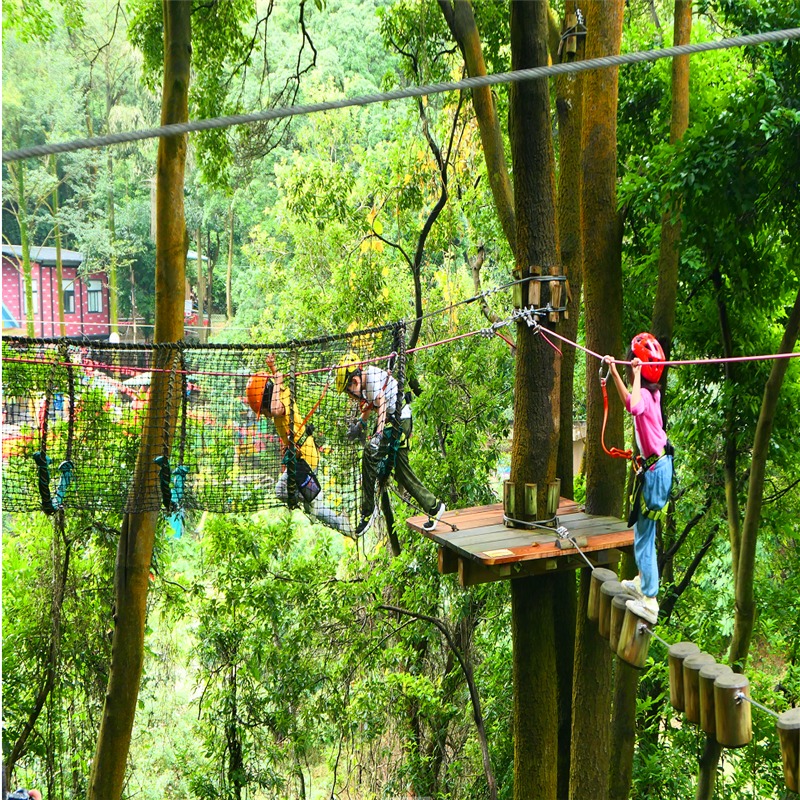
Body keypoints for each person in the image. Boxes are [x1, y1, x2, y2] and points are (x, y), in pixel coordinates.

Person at [603, 333, 674, 625]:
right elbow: (626, 402)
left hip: (656, 471)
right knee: (643, 532)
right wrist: (614, 372)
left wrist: (634, 373)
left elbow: (634, 404)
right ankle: (644, 581)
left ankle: (650, 600)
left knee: (644, 538)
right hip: (659, 468)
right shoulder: (652, 393)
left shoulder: (645, 395)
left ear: (643, 369)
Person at [336, 353, 445, 536]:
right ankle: (434, 507)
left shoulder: (370, 381)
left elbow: (382, 403)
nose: (350, 396)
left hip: (398, 422)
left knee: (370, 456)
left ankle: (368, 511)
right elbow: (371, 405)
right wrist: (360, 425)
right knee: (401, 472)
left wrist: (378, 435)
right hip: (397, 421)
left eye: (348, 391)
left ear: (354, 381)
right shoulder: (366, 380)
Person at [245, 355, 350, 535]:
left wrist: (276, 380)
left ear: (267, 399)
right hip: (300, 459)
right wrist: (273, 369)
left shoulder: (279, 404)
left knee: (282, 492)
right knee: (311, 508)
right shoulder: (279, 394)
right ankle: (337, 520)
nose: (265, 415)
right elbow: (274, 387)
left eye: (262, 410)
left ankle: (340, 522)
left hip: (305, 459)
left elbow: (276, 408)